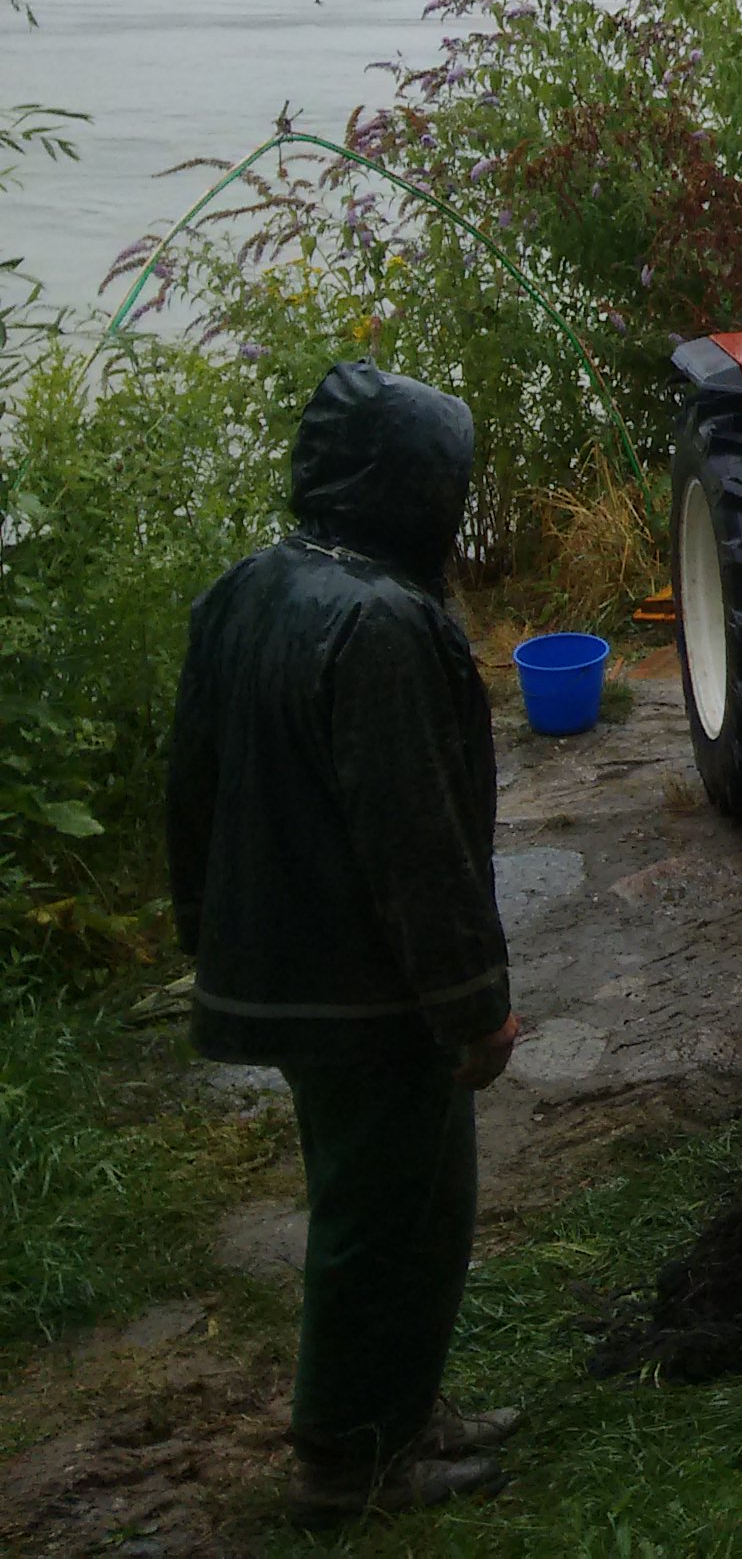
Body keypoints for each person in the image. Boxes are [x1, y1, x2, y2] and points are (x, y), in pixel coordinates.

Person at [165, 363, 524, 1525]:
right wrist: (472, 1003)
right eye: (444, 483)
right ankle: (350, 1460)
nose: (454, 506)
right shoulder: (379, 625)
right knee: (393, 1214)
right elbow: (415, 841)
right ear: (402, 489)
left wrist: (208, 941)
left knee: (391, 1197)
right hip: (365, 990)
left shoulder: (251, 586)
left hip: (288, 968)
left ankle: (401, 1409)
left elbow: (191, 789)